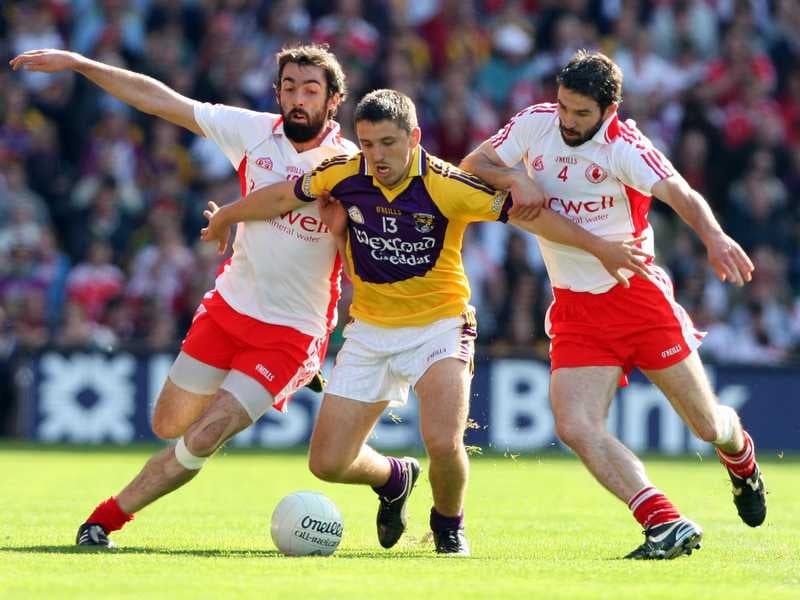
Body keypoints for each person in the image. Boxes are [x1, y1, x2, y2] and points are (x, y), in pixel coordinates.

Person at [201, 88, 652, 555]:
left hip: (441, 326)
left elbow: (531, 218)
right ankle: (395, 477)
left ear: (414, 138)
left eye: (389, 143)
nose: (377, 156)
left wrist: (600, 247)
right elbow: (280, 196)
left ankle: (448, 525)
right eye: (369, 143)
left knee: (441, 439)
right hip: (370, 330)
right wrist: (228, 217)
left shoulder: (447, 184)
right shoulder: (342, 173)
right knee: (327, 463)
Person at [10, 44, 358, 547]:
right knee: (168, 422)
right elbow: (161, 101)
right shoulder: (253, 132)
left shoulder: (350, 166)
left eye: (310, 90)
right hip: (230, 306)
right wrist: (81, 65)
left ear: (334, 100)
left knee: (203, 435)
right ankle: (386, 467)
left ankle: (103, 520)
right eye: (289, 88)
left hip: (292, 330)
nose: (297, 99)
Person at [460, 50, 767, 560]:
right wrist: (516, 177)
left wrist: (714, 237)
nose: (568, 122)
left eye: (581, 114)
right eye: (563, 108)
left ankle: (740, 455)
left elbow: (680, 193)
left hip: (638, 298)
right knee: (573, 424)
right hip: (577, 308)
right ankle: (662, 522)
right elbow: (476, 163)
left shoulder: (625, 146)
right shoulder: (536, 124)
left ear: (610, 110)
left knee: (707, 425)